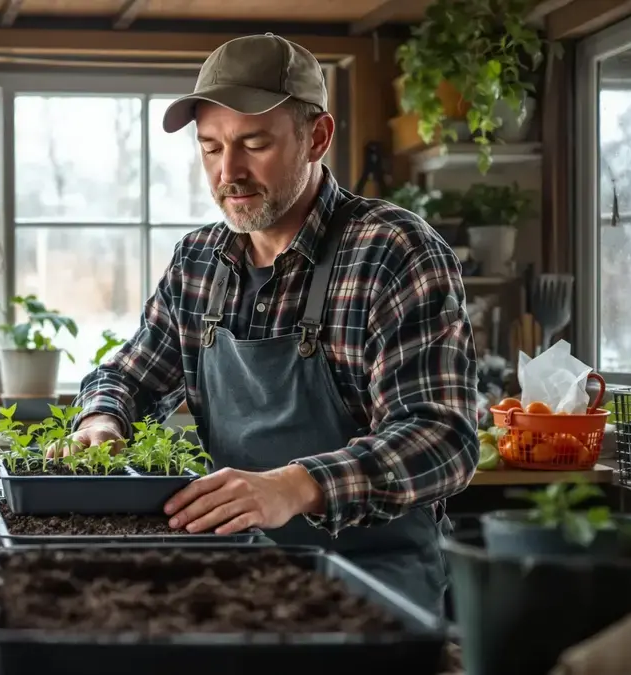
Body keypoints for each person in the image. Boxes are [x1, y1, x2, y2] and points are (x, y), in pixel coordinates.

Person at [61, 33, 479, 614]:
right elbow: (130, 376)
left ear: (317, 137)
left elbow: (441, 437)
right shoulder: (198, 261)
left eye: (253, 143)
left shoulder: (393, 250)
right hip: (236, 570)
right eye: (210, 148)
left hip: (374, 577)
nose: (228, 172)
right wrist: (102, 420)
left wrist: (295, 486)